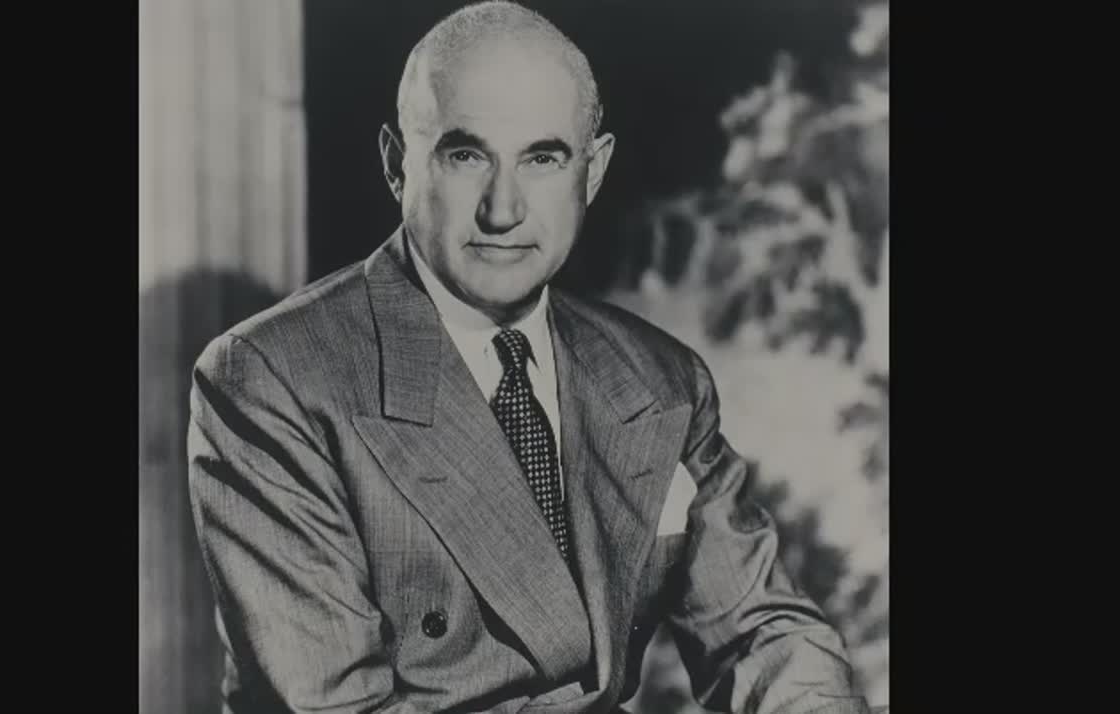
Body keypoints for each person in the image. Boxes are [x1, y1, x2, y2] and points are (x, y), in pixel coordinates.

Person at [187, 2, 871, 712]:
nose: (503, 209)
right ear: (397, 165)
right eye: (466, 155)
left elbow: (762, 631)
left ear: (593, 171)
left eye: (543, 158)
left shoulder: (659, 377)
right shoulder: (272, 379)